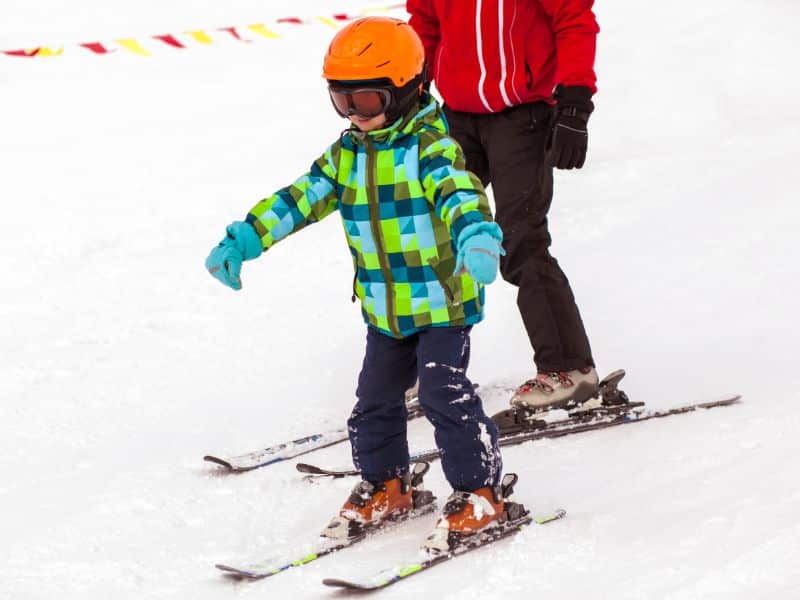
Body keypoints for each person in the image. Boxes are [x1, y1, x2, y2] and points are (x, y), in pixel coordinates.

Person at [205, 17, 526, 553]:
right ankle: (388, 485)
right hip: (383, 309)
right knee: (373, 400)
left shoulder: (432, 149)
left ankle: (480, 493)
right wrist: (245, 239)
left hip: (442, 304)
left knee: (445, 394)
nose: (355, 115)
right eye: (342, 102)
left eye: (368, 101)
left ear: (407, 92)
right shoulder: (346, 156)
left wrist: (478, 238)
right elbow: (298, 199)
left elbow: (462, 197)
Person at [408, 0, 601, 410]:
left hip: (523, 117)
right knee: (434, 234)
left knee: (521, 240)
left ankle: (570, 368)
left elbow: (574, 21)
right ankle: (429, 367)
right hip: (457, 117)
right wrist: (413, 87)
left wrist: (574, 104)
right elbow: (424, 23)